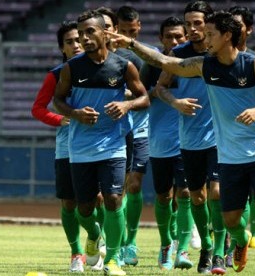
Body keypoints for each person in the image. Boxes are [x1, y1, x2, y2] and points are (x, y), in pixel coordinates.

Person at [107, 10, 255, 276]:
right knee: (230, 220)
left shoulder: (254, 64)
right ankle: (239, 241)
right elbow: (164, 62)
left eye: (211, 34)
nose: (206, 39)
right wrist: (132, 44)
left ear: (227, 36)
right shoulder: (205, 65)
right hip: (230, 155)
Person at [53, 10, 150, 276]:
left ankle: (114, 261)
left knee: (113, 200)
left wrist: (127, 104)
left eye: (90, 32)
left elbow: (145, 98)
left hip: (113, 145)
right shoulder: (71, 68)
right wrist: (75, 114)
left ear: (104, 33)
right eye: (81, 33)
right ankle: (94, 234)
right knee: (84, 209)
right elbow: (57, 101)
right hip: (80, 149)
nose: (84, 38)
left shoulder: (123, 66)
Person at [148, 1, 222, 274]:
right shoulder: (179, 54)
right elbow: (160, 88)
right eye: (188, 23)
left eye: (197, 23)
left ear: (209, 24)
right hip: (189, 138)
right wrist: (176, 103)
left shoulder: (221, 53)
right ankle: (205, 246)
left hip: (220, 137)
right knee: (197, 198)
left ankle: (219, 251)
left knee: (216, 193)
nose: (191, 28)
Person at [31, 20, 93, 273]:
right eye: (70, 42)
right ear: (62, 48)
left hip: (102, 144)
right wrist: (61, 119)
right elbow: (37, 108)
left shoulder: (106, 68)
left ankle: (102, 241)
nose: (77, 45)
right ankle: (76, 253)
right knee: (69, 202)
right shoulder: (55, 75)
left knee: (99, 200)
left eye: (79, 39)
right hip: (67, 146)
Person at [139, 16, 190, 270]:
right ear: (161, 39)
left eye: (179, 36)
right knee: (163, 196)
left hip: (189, 140)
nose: (174, 40)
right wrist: (158, 90)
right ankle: (165, 244)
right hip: (160, 140)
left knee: (185, 194)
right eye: (169, 36)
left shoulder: (194, 64)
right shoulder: (152, 66)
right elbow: (141, 99)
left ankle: (183, 249)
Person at [115, 6, 153, 265]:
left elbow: (152, 92)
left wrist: (132, 97)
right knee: (116, 191)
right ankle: (114, 239)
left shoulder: (149, 55)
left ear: (138, 27)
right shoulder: (107, 57)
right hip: (115, 130)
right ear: (116, 29)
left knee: (135, 184)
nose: (129, 35)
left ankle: (131, 242)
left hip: (142, 128)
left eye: (132, 30)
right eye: (123, 31)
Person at [228, 5, 255, 254]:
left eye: (237, 25)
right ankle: (232, 240)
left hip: (254, 142)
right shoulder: (213, 61)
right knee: (218, 199)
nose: (231, 30)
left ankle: (241, 239)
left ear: (248, 30)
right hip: (220, 139)